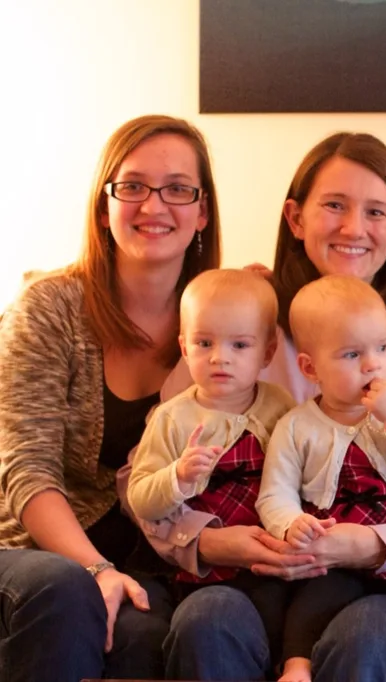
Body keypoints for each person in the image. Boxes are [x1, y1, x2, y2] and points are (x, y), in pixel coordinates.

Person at [129, 131, 386, 682]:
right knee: (208, 618)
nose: (354, 228)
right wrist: (208, 540)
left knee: (369, 631)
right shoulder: (235, 328)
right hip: (250, 569)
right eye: (334, 206)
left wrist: (372, 544)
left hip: (384, 578)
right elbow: (146, 474)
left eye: (376, 211)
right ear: (296, 219)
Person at [0, 114, 221, 682]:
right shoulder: (48, 309)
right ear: (104, 207)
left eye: (177, 189)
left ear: (202, 211)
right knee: (64, 590)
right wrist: (95, 568)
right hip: (32, 553)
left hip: (145, 563)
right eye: (133, 186)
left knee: (145, 637)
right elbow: (26, 469)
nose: (154, 205)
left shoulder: (220, 322)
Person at [257, 275, 386, 682]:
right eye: (352, 354)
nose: (373, 364)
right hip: (335, 547)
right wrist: (290, 523)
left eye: (383, 347)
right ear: (310, 368)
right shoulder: (296, 426)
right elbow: (275, 494)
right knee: (309, 595)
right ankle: (297, 666)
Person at [126, 268, 295, 662]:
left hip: (275, 559)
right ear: (185, 348)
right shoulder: (171, 418)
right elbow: (141, 500)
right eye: (204, 343)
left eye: (240, 345)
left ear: (267, 352)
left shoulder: (281, 407)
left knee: (284, 622)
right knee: (208, 625)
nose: (220, 357)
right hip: (204, 573)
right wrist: (177, 477)